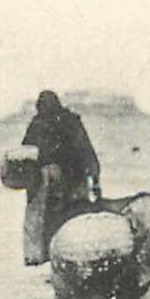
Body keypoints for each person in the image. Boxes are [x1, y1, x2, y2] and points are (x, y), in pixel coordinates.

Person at [20, 90, 101, 262]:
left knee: (42, 218)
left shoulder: (37, 123)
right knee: (73, 216)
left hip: (47, 178)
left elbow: (26, 152)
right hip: (74, 177)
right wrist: (94, 177)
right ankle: (73, 254)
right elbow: (85, 149)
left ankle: (37, 257)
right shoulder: (72, 121)